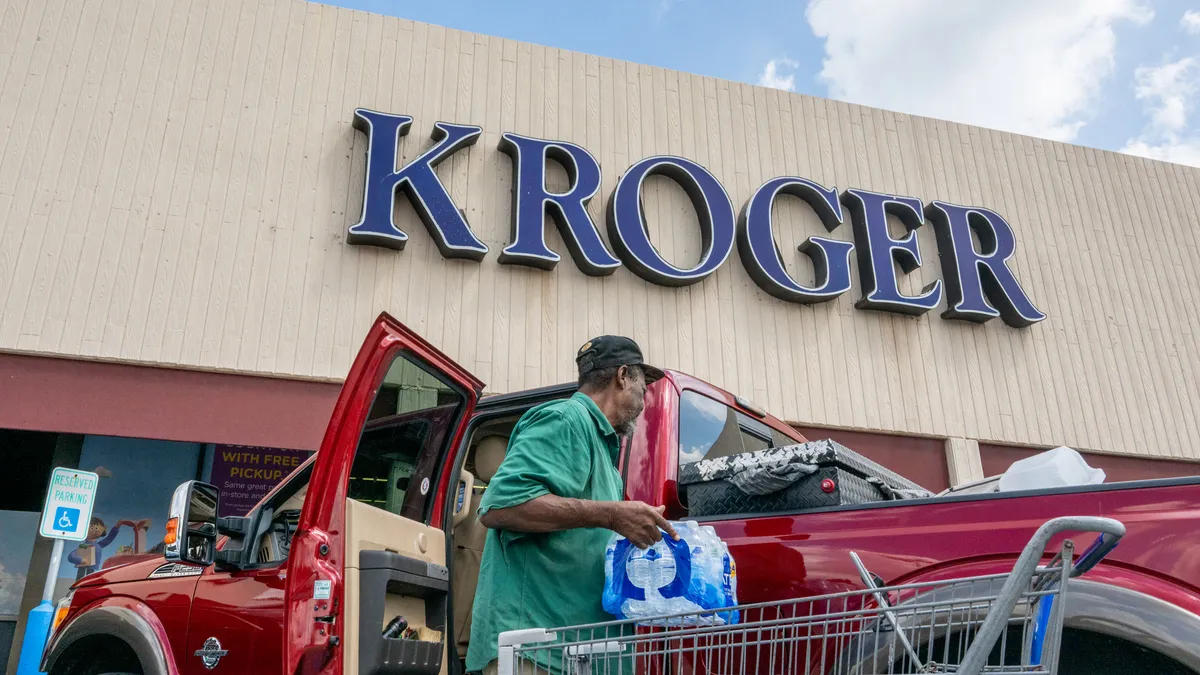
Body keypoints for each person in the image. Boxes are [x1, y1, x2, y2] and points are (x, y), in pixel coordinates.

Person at [465, 335, 681, 675]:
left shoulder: (603, 451)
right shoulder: (566, 420)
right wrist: (611, 514)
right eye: (643, 386)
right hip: (536, 652)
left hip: (574, 653)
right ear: (622, 376)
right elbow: (500, 506)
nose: (644, 399)